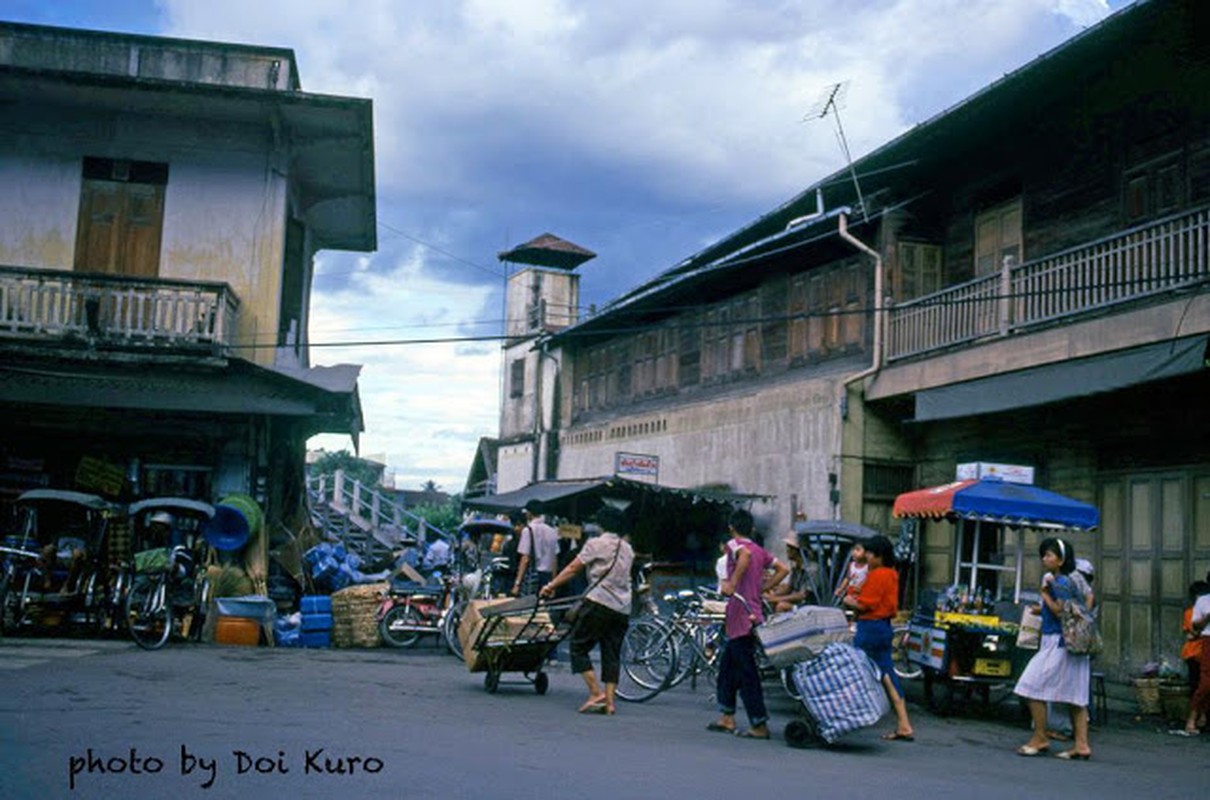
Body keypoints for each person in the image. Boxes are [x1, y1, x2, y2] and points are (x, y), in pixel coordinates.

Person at [539, 506, 634, 715]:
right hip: (623, 607)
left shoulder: (595, 544)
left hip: (599, 602)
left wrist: (550, 585)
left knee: (578, 645)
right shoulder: (627, 549)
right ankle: (609, 703)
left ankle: (595, 692)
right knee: (611, 653)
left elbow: (573, 568)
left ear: (602, 524)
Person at [707, 508, 788, 740]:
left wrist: (732, 583)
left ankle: (758, 723)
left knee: (746, 672)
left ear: (732, 528)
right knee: (727, 669)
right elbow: (783, 569)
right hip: (751, 613)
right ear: (752, 528)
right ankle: (727, 716)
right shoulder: (760, 550)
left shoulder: (735, 546)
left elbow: (744, 557)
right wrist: (761, 589)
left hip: (741, 616)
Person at [1013, 537, 1093, 760]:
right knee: (1075, 696)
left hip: (1057, 643)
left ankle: (1040, 737)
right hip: (1072, 644)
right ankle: (1081, 745)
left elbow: (1060, 611)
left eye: (1049, 555)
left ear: (1060, 560)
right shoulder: (1071, 580)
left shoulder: (1059, 583)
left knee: (1030, 685)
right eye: (1044, 554)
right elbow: (1084, 600)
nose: (1044, 559)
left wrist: (1046, 595)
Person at [843, 534, 915, 742]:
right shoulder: (891, 574)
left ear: (879, 556)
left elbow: (866, 604)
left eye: (870, 553)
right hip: (883, 627)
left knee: (855, 669)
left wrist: (849, 600)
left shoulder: (878, 574)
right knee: (887, 674)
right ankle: (903, 723)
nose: (866, 556)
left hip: (871, 627)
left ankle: (847, 715)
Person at [1174, 576, 1210, 736]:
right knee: (1203, 684)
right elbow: (1194, 628)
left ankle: (1202, 716)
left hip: (1201, 646)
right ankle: (1194, 716)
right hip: (1202, 646)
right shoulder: (1203, 602)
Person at [512, 501, 559, 596]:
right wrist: (554, 583)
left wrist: (517, 584)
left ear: (529, 513)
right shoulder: (552, 531)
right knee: (544, 608)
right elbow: (554, 559)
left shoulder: (528, 530)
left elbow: (525, 559)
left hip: (532, 577)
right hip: (548, 577)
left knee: (528, 607)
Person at [764, 535, 812, 613]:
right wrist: (772, 596)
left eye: (790, 548)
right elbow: (789, 588)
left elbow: (802, 595)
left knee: (781, 606)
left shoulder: (812, 569)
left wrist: (776, 599)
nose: (787, 551)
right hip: (798, 603)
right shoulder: (796, 568)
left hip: (808, 606)